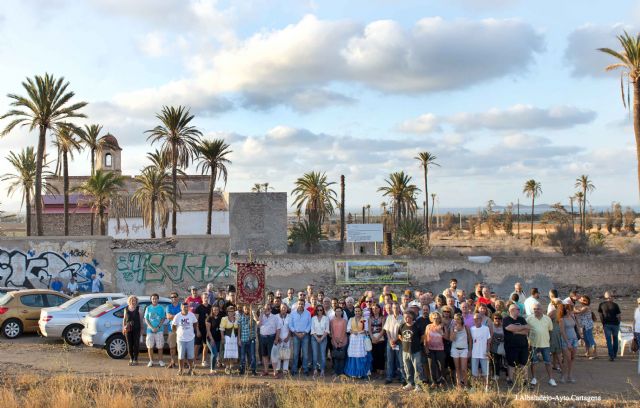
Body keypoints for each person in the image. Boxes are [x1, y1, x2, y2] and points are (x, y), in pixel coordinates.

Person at [526, 304, 556, 386]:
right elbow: (526, 331)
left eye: (538, 309)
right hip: (533, 344)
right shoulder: (529, 319)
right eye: (534, 309)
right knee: (533, 362)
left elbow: (550, 330)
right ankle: (534, 378)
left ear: (542, 310)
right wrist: (528, 342)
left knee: (548, 362)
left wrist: (550, 341)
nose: (536, 310)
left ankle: (551, 379)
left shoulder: (547, 319)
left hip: (545, 344)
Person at [503, 304, 529, 386]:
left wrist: (516, 331)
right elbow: (509, 328)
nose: (519, 311)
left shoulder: (522, 319)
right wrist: (523, 327)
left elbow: (527, 330)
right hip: (511, 346)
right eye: (518, 309)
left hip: (523, 345)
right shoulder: (506, 319)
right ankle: (511, 380)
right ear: (512, 310)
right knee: (511, 364)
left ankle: (525, 380)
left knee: (524, 363)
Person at [171, 302, 200, 376]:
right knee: (181, 356)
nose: (186, 309)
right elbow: (173, 326)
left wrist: (196, 331)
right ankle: (180, 370)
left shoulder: (191, 315)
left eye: (187, 307)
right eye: (184, 307)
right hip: (181, 339)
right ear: (181, 308)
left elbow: (195, 323)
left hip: (190, 338)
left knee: (191, 356)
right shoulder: (177, 316)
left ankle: (191, 369)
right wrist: (177, 332)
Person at [398, 311, 423, 391]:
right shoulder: (402, 326)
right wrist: (405, 342)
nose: (406, 318)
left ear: (412, 317)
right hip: (405, 351)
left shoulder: (417, 326)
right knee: (407, 368)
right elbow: (400, 336)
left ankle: (418, 385)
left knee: (417, 368)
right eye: (405, 317)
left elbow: (422, 337)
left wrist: (416, 343)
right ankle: (410, 383)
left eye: (408, 317)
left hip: (416, 351)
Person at [345, 306, 371, 378]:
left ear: (361, 312)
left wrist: (360, 332)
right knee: (353, 355)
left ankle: (361, 373)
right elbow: (348, 329)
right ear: (354, 312)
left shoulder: (364, 319)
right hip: (353, 339)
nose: (357, 312)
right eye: (356, 311)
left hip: (361, 339)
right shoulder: (351, 319)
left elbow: (366, 329)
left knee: (361, 354)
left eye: (358, 311)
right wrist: (353, 332)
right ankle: (354, 373)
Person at [383, 302, 405, 385]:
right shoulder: (389, 317)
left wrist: (395, 340)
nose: (395, 309)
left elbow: (402, 332)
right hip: (390, 341)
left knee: (400, 360)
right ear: (392, 309)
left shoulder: (402, 318)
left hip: (399, 342)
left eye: (397, 307)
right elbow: (387, 330)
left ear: (399, 308)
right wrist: (390, 340)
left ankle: (402, 378)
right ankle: (389, 377)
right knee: (390, 360)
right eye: (394, 308)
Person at [289, 299, 311, 376]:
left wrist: (304, 333)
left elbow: (310, 324)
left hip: (305, 335)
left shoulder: (308, 313)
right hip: (296, 335)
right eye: (299, 304)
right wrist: (296, 333)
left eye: (302, 304)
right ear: (297, 304)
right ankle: (294, 369)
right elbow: (290, 325)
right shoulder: (292, 313)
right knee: (295, 353)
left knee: (305, 354)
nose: (301, 305)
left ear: (304, 305)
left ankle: (305, 369)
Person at [425, 311, 447, 388]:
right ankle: (434, 382)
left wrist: (441, 332)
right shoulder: (428, 326)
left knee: (441, 366)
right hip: (430, 349)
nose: (436, 319)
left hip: (440, 349)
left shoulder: (442, 326)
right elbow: (425, 337)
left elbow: (447, 337)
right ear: (431, 318)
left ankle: (442, 382)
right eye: (434, 318)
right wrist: (426, 348)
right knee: (432, 366)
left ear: (440, 319)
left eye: (437, 318)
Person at [258, 303, 281, 376]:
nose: (266, 310)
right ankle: (266, 371)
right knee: (264, 355)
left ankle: (275, 371)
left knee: (273, 355)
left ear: (271, 309)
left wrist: (276, 339)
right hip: (263, 338)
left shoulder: (275, 317)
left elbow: (278, 329)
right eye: (265, 309)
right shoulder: (261, 316)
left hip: (271, 338)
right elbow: (259, 325)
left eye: (268, 309)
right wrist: (261, 314)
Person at [598, 291, 621, 361]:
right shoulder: (615, 305)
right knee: (615, 339)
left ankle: (611, 355)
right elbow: (618, 316)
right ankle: (614, 354)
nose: (613, 297)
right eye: (613, 296)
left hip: (606, 324)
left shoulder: (601, 304)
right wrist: (619, 323)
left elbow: (601, 315)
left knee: (608, 340)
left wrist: (603, 323)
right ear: (611, 297)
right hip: (615, 324)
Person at [144, 293, 166, 367]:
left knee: (160, 346)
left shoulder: (161, 308)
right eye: (153, 299)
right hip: (150, 331)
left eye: (156, 298)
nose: (154, 300)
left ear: (158, 299)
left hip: (159, 330)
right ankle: (151, 361)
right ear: (151, 299)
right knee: (150, 346)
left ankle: (160, 361)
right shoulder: (148, 308)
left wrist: (158, 327)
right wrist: (151, 328)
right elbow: (146, 319)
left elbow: (163, 318)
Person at [470, 312, 491, 389]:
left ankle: (486, 387)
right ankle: (474, 387)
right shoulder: (471, 329)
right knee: (474, 372)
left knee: (485, 372)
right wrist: (470, 351)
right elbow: (470, 341)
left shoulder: (486, 328)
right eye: (474, 319)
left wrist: (488, 351)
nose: (476, 320)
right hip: (474, 354)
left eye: (478, 318)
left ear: (481, 319)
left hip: (484, 353)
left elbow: (488, 341)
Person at [558, 303, 578, 383]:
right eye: (571, 309)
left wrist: (580, 335)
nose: (573, 311)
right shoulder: (562, 320)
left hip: (574, 339)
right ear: (567, 310)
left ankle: (569, 375)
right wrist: (568, 343)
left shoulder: (572, 317)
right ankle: (563, 375)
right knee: (567, 359)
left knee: (572, 358)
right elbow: (562, 332)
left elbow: (576, 326)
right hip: (566, 340)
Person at [450, 313, 471, 387]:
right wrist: (455, 330)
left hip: (464, 349)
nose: (456, 321)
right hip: (455, 349)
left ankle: (465, 384)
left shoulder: (466, 327)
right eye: (455, 319)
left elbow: (470, 339)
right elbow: (452, 339)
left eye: (458, 319)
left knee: (464, 369)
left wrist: (470, 350)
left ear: (461, 319)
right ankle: (459, 385)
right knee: (457, 368)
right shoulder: (453, 327)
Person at [574, 295, 597, 359]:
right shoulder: (583, 307)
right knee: (586, 340)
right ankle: (587, 353)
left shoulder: (586, 307)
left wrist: (573, 309)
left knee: (590, 339)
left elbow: (579, 312)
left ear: (586, 302)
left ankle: (595, 354)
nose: (581, 300)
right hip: (584, 326)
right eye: (581, 299)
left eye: (583, 300)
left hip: (588, 326)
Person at [310, 304, 329, 377]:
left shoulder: (326, 318)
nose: (319, 311)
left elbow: (327, 330)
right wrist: (317, 338)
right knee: (315, 354)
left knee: (322, 355)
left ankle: (322, 370)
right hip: (314, 337)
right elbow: (312, 329)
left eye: (321, 310)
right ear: (316, 311)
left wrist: (321, 338)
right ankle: (315, 370)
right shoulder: (313, 318)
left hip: (323, 337)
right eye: (318, 310)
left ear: (323, 310)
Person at [238, 304, 258, 375]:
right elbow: (239, 329)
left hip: (251, 339)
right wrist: (239, 339)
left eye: (248, 309)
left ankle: (253, 370)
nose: (247, 310)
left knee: (252, 356)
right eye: (245, 309)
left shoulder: (252, 316)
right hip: (243, 339)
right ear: (243, 310)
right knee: (242, 356)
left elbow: (257, 320)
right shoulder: (241, 317)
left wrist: (253, 312)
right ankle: (242, 369)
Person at [272, 303, 291, 377]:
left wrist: (288, 337)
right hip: (278, 338)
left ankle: (285, 369)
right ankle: (278, 368)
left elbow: (290, 328)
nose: (283, 309)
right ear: (280, 308)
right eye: (282, 307)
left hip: (286, 338)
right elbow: (274, 327)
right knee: (278, 353)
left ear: (287, 309)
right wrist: (278, 338)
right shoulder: (276, 316)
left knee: (286, 353)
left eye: (285, 308)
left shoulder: (289, 316)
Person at [219, 305, 239, 374]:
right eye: (229, 311)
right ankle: (227, 367)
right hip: (227, 338)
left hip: (235, 338)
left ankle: (232, 366)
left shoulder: (237, 318)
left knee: (233, 353)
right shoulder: (224, 319)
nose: (231, 312)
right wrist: (222, 338)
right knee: (227, 353)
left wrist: (238, 338)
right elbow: (222, 329)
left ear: (234, 312)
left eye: (232, 311)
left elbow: (239, 329)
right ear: (227, 312)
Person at [122, 296, 141, 366]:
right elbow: (124, 319)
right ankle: (131, 358)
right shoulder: (126, 309)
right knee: (129, 344)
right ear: (129, 301)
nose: (132, 302)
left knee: (136, 344)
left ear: (136, 301)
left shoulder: (139, 309)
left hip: (137, 329)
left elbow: (141, 319)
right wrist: (123, 328)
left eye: (134, 300)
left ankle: (135, 359)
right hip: (128, 329)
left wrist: (142, 329)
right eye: (131, 300)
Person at [194, 293, 212, 367]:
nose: (206, 299)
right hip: (200, 329)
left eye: (207, 297)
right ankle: (193, 361)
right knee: (197, 345)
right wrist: (197, 330)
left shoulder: (211, 307)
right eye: (204, 297)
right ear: (202, 298)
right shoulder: (198, 308)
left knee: (206, 345)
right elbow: (196, 320)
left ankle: (203, 361)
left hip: (207, 330)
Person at [368, 302, 386, 375]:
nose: (374, 310)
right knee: (374, 354)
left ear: (379, 309)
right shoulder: (370, 318)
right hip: (372, 338)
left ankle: (381, 369)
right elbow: (369, 329)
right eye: (373, 309)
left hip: (380, 338)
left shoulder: (382, 318)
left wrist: (378, 338)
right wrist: (372, 337)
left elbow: (383, 329)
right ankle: (375, 369)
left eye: (376, 308)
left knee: (381, 354)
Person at [330, 306, 348, 376]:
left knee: (342, 357)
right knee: (335, 357)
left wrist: (340, 341)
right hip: (334, 341)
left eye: (339, 311)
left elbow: (344, 331)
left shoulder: (344, 321)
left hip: (343, 341)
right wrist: (335, 341)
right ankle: (335, 372)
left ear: (342, 312)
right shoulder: (332, 321)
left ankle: (341, 372)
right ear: (335, 312)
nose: (338, 312)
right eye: (337, 311)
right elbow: (332, 332)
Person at [205, 305, 223, 374]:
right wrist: (211, 339)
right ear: (212, 310)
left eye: (217, 310)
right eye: (214, 310)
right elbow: (208, 330)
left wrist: (222, 337)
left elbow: (222, 329)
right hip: (210, 339)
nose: (216, 311)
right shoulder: (209, 318)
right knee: (214, 353)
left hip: (218, 339)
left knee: (215, 354)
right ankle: (212, 369)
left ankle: (214, 368)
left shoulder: (220, 318)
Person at [166, 292, 181, 369]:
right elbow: (168, 316)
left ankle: (182, 362)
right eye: (172, 297)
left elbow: (184, 315)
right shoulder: (168, 307)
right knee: (172, 347)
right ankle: (173, 362)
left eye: (175, 297)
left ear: (177, 298)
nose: (173, 298)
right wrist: (178, 316)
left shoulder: (181, 306)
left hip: (181, 329)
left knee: (181, 347)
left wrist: (173, 316)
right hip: (171, 329)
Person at [490, 313, 507, 381]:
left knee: (505, 361)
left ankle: (507, 375)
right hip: (493, 346)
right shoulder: (491, 326)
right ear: (493, 319)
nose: (497, 320)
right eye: (495, 318)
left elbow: (507, 335)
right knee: (495, 361)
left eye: (499, 318)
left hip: (502, 345)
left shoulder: (504, 326)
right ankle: (496, 375)